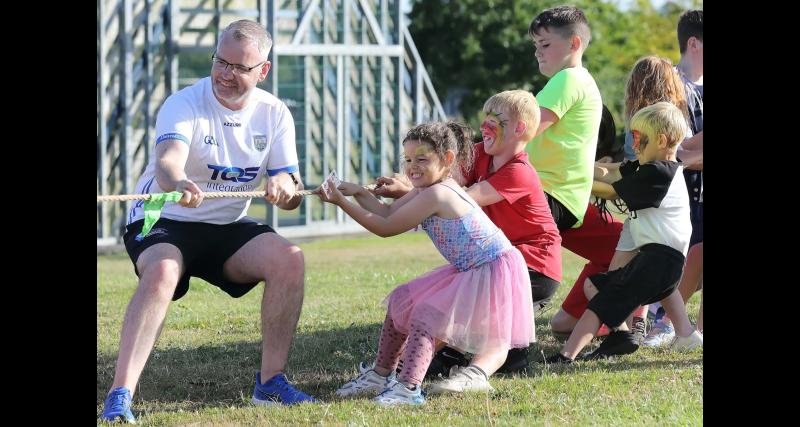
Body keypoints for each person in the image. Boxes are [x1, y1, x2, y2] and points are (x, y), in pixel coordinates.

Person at [100, 20, 315, 423]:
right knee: (163, 269)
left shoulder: (274, 113)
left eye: (240, 68)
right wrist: (179, 181)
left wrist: (284, 187)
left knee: (290, 259)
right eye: (221, 62)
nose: (225, 74)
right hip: (164, 218)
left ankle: (270, 384)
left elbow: (290, 183)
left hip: (225, 226)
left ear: (263, 71)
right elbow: (167, 162)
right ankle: (119, 396)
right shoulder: (183, 102)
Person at [321, 122, 535, 405]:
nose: (412, 167)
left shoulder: (438, 194)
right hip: (470, 267)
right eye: (408, 159)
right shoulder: (426, 189)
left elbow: (385, 227)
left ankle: (408, 389)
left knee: (427, 316)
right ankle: (380, 375)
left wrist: (341, 202)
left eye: (421, 159)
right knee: (402, 299)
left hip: (490, 269)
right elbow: (387, 212)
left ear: (447, 159)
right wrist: (359, 192)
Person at [373, 91, 562, 376]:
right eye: (485, 117)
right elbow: (441, 180)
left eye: (495, 119)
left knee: (458, 312)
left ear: (519, 129)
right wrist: (412, 184)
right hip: (491, 259)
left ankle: (448, 365)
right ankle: (426, 360)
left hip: (533, 265)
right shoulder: (481, 154)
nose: (485, 125)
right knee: (451, 308)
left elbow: (458, 199)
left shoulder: (519, 171)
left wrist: (410, 191)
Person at [542, 102, 703, 364]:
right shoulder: (648, 164)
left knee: (603, 297)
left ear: (661, 141)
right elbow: (614, 171)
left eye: (639, 138)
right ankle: (678, 334)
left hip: (660, 261)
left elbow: (612, 191)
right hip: (659, 259)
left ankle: (567, 355)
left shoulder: (659, 172)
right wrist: (575, 166)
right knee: (594, 285)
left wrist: (572, 182)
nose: (633, 144)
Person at [525, 6, 624, 344]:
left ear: (574, 44)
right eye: (535, 46)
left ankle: (612, 322)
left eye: (545, 44)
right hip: (565, 199)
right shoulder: (577, 81)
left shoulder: (567, 79)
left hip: (550, 199)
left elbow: (522, 132)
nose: (538, 52)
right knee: (625, 246)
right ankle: (598, 320)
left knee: (624, 246)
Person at [641, 10, 704, 346]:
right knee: (674, 262)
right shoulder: (671, 87)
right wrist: (688, 158)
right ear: (694, 43)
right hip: (679, 194)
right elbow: (671, 152)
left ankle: (686, 327)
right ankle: (661, 321)